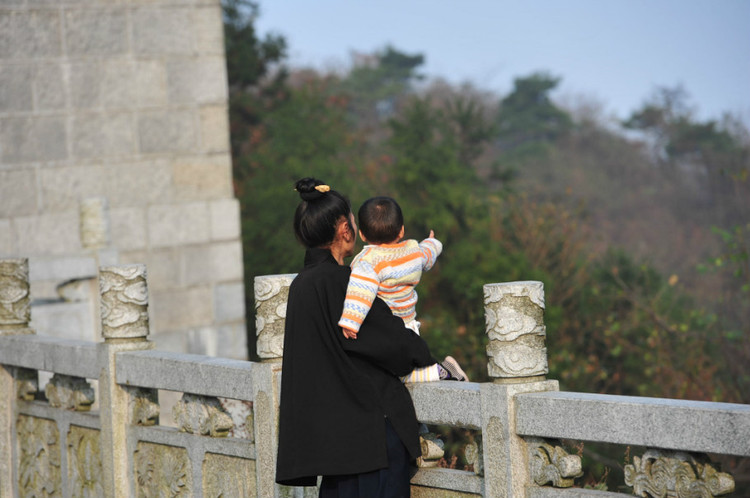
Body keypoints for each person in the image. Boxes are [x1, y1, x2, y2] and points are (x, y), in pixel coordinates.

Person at [276, 177, 440, 497]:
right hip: (368, 440)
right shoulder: (342, 283)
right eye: (352, 218)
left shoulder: (302, 285)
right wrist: (423, 352)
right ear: (343, 229)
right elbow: (396, 344)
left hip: (333, 445)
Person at [338, 196, 468, 383]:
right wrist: (434, 243)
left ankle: (442, 371)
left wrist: (350, 322)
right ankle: (443, 371)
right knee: (402, 373)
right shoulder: (413, 251)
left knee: (395, 376)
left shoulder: (369, 261)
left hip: (389, 332)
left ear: (363, 235)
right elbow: (427, 253)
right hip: (410, 327)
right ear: (401, 231)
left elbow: (361, 292)